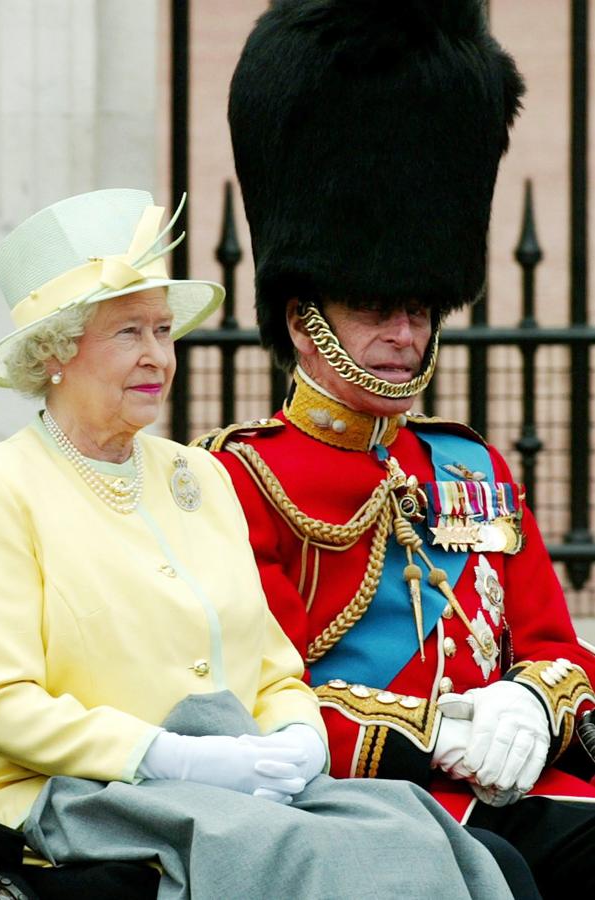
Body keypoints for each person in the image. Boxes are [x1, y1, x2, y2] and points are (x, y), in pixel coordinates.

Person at [0, 187, 519, 900]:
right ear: (55, 353)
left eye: (163, 331)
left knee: (433, 838)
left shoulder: (200, 476)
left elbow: (273, 670)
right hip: (72, 794)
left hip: (231, 785)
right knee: (312, 860)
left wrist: (297, 736)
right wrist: (166, 757)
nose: (158, 354)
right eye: (129, 334)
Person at [198, 1, 595, 897]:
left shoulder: (470, 470)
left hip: (519, 790)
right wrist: (439, 734)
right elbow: (258, 701)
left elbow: (557, 648)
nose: (404, 333)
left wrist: (531, 702)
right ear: (305, 320)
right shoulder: (237, 479)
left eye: (417, 310)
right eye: (376, 310)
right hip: (371, 808)